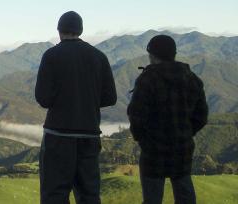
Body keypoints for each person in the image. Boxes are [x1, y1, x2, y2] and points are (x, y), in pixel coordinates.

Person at [35, 11, 117, 204]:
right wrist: (87, 101)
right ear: (80, 30)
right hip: (89, 135)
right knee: (89, 194)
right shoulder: (99, 57)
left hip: (58, 136)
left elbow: (43, 99)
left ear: (59, 30)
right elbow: (111, 97)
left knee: (54, 194)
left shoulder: (51, 55)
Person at [127, 35, 208, 204]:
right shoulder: (192, 78)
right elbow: (201, 116)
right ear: (174, 54)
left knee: (152, 198)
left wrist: (143, 139)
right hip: (182, 148)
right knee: (185, 195)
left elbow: (136, 115)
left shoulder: (147, 79)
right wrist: (186, 132)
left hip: (153, 150)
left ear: (152, 55)